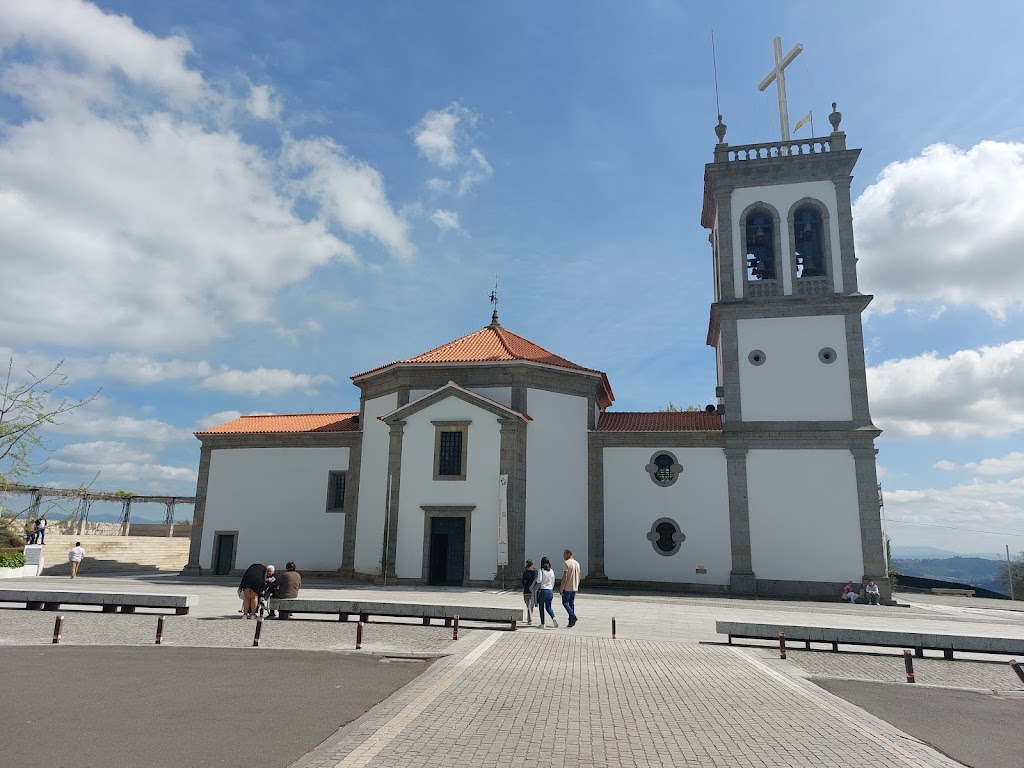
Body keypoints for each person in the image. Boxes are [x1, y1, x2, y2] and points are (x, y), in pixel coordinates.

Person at [560, 549, 581, 628]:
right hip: (574, 586)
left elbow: (565, 576)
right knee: (571, 603)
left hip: (568, 586)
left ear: (569, 554)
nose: (563, 556)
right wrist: (577, 585)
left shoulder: (567, 563)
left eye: (564, 554)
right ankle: (571, 621)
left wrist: (561, 587)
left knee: (565, 602)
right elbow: (579, 576)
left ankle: (573, 616)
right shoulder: (577, 563)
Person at [536, 557, 557, 629]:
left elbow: (539, 580)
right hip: (550, 590)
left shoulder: (541, 570)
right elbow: (553, 581)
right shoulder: (551, 571)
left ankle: (542, 623)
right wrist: (551, 587)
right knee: (548, 607)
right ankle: (553, 617)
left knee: (541, 607)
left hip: (543, 590)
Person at [520, 559, 538, 625]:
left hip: (527, 590)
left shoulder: (525, 572)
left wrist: (526, 586)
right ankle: (529, 617)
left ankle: (529, 619)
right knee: (531, 605)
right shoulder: (535, 571)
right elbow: (536, 580)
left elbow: (523, 581)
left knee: (528, 604)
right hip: (533, 590)